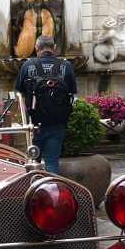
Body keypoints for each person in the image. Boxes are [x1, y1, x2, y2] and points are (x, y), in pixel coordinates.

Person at [15, 34, 77, 173]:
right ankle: (51, 185)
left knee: (32, 163)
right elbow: (72, 94)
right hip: (57, 124)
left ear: (36, 47)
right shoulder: (66, 66)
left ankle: (34, 185)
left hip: (33, 125)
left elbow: (19, 94)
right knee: (52, 162)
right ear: (54, 48)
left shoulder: (28, 65)